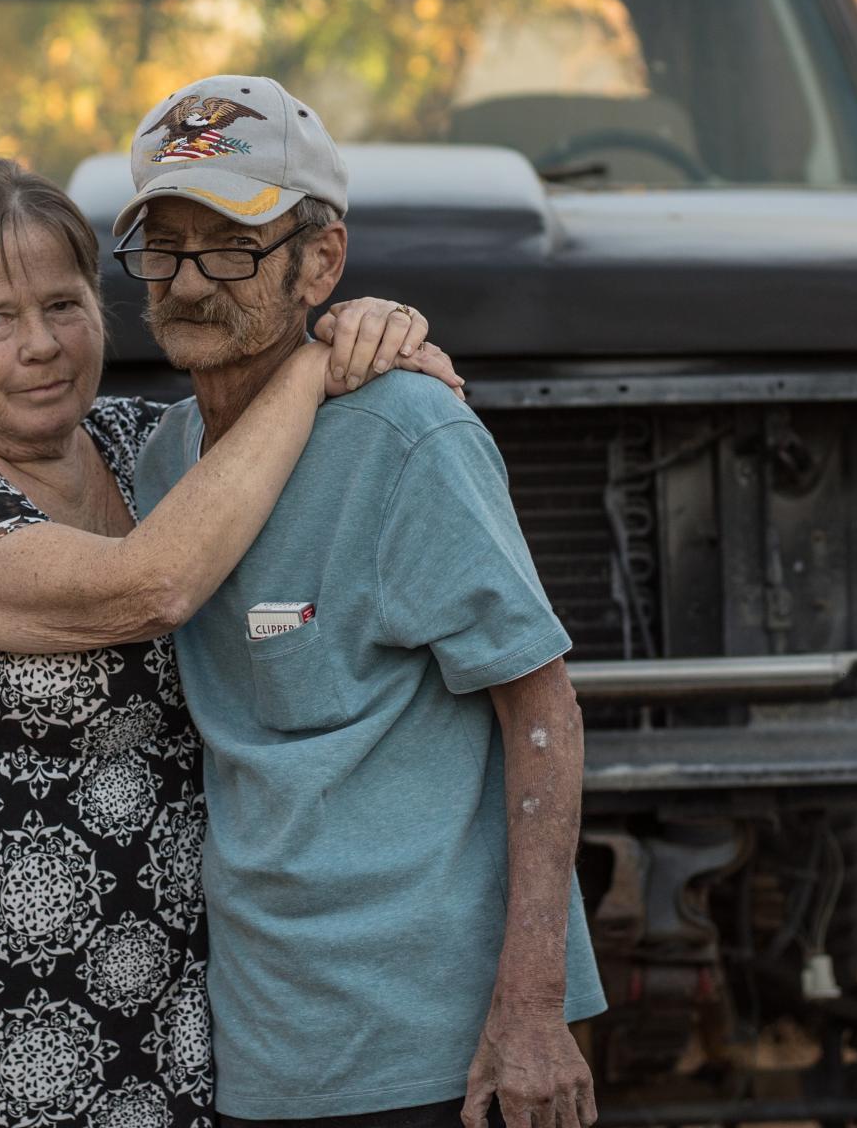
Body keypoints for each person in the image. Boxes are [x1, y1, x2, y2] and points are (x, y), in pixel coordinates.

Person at [0, 156, 463, 1128]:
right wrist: (306, 367)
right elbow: (151, 585)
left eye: (63, 304)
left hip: (167, 999)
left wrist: (376, 343)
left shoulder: (142, 446)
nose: (40, 344)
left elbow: (316, 462)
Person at [123, 76, 606, 1128]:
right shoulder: (155, 464)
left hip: (435, 1049)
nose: (191, 282)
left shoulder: (406, 435)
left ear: (322, 262)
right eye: (164, 246)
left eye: (234, 246)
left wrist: (532, 1010)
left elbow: (542, 712)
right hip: (259, 1046)